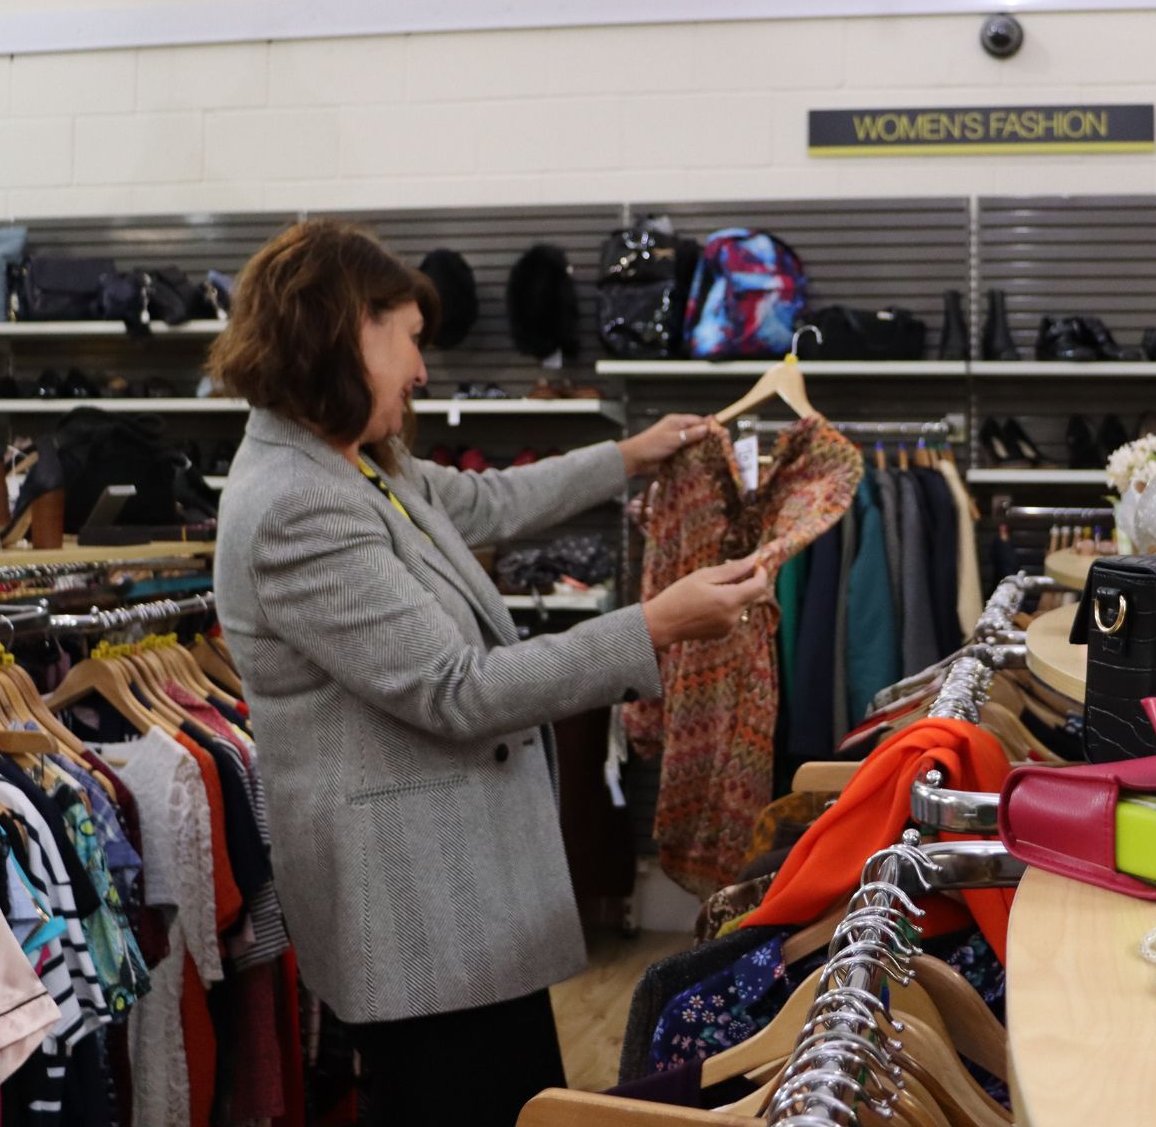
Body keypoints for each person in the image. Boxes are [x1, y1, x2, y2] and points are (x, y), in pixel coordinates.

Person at [208, 219, 771, 1124]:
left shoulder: (348, 461)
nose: (422, 372)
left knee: (515, 1100)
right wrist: (656, 626)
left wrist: (630, 456)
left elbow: (484, 499)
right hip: (415, 914)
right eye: (410, 341)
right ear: (348, 328)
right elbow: (454, 689)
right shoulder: (295, 505)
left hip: (452, 900)